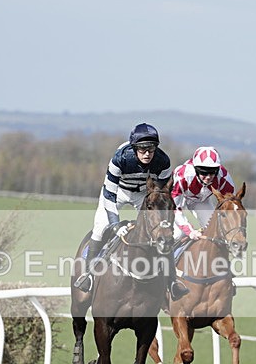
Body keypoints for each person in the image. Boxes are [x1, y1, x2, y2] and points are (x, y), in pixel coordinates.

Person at [73, 122, 188, 300]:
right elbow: (109, 195)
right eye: (142, 149)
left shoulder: (163, 161)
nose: (147, 154)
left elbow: (162, 195)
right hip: (118, 192)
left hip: (143, 194)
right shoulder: (120, 159)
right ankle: (87, 275)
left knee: (158, 233)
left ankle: (171, 281)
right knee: (100, 227)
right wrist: (115, 225)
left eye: (151, 149)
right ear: (134, 148)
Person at [171, 146, 237, 241]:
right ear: (196, 170)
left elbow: (231, 205)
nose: (208, 177)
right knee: (178, 234)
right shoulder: (183, 175)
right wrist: (190, 231)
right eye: (203, 173)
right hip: (178, 200)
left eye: (212, 173)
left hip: (201, 201)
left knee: (215, 231)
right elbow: (174, 208)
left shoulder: (223, 177)